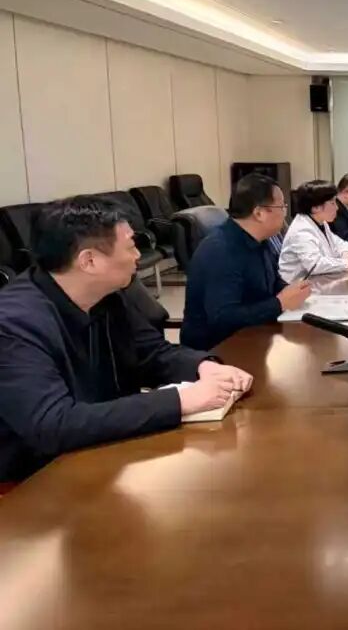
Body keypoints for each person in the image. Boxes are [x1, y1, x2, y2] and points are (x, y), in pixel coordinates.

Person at [0, 196, 253, 483]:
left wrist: (204, 366)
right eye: (131, 245)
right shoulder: (12, 324)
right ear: (89, 261)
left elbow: (151, 353)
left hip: (104, 453)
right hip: (31, 481)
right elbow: (53, 424)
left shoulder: (106, 294)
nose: (137, 256)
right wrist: (181, 401)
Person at [181, 173, 311, 350]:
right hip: (217, 351)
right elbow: (223, 318)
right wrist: (279, 303)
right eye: (282, 206)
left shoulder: (261, 240)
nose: (285, 213)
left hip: (255, 335)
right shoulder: (221, 250)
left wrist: (293, 291)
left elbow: (272, 282)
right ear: (259, 213)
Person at [278, 181, 348, 283]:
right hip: (297, 286)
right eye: (332, 203)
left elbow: (339, 243)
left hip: (318, 281)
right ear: (315, 207)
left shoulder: (320, 222)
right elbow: (315, 265)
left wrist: (345, 252)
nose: (337, 207)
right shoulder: (301, 230)